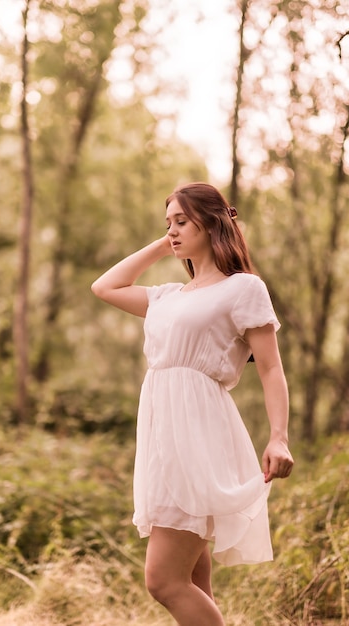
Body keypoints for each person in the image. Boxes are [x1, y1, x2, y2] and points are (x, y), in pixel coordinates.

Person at [91, 182, 294, 626]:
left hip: (200, 433)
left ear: (213, 221)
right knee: (193, 584)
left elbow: (271, 369)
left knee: (163, 581)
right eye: (168, 224)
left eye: (182, 221)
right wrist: (163, 247)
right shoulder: (166, 296)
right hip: (163, 440)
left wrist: (278, 438)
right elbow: (104, 286)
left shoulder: (243, 289)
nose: (173, 231)